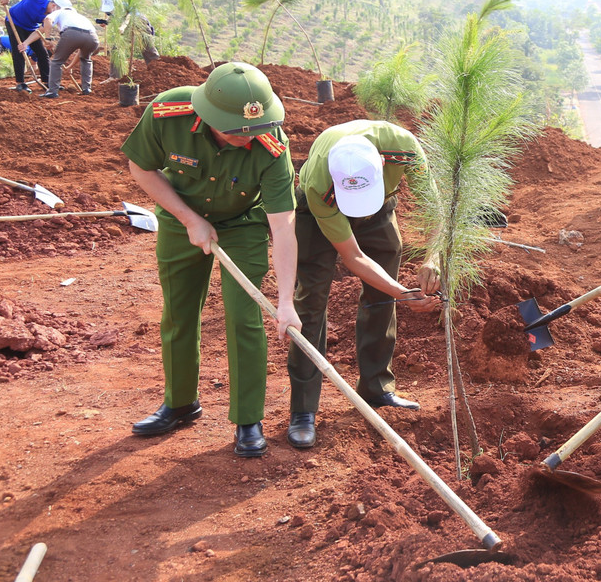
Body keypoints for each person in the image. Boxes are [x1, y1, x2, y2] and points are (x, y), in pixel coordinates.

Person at [120, 62, 301, 458]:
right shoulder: (169, 114)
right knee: (179, 312)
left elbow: (283, 227)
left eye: (256, 127)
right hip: (180, 216)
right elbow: (141, 166)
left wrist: (285, 300)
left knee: (245, 317)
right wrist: (189, 219)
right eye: (237, 129)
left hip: (244, 224)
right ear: (207, 115)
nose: (248, 136)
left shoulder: (272, 147)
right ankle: (180, 403)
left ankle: (247, 419)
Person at [286, 121, 441, 448]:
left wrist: (433, 257)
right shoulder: (318, 183)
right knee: (310, 302)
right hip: (320, 214)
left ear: (382, 164)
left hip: (381, 206)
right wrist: (402, 293)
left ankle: (377, 388)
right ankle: (303, 410)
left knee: (380, 296)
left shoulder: (403, 148)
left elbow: (434, 210)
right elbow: (354, 258)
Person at [0, 0, 53, 92]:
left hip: (31, 28)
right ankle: (20, 83)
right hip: (14, 21)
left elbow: (41, 30)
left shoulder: (50, 17)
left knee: (42, 53)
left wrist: (26, 42)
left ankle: (47, 81)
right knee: (19, 51)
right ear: (53, 5)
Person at [39, 0, 99, 99]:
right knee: (86, 59)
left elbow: (47, 19)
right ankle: (86, 89)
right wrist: (69, 67)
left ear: (56, 6)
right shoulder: (79, 16)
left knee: (56, 61)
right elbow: (80, 51)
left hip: (72, 34)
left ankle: (52, 91)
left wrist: (47, 38)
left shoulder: (60, 11)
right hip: (92, 37)